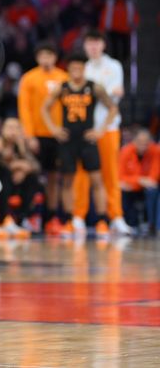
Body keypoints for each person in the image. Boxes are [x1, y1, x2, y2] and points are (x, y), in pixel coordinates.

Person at [41, 52, 117, 238]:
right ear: (68, 69)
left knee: (97, 181)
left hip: (87, 139)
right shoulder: (62, 87)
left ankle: (102, 220)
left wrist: (100, 130)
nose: (76, 71)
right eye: (73, 67)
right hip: (68, 140)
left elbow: (113, 108)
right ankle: (70, 220)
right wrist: (53, 129)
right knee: (67, 182)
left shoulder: (94, 87)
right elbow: (44, 107)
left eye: (80, 68)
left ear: (85, 69)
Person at [72, 29, 132, 236]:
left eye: (97, 43)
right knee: (82, 174)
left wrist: (93, 91)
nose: (93, 47)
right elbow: (85, 95)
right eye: (90, 43)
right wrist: (101, 91)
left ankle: (116, 217)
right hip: (85, 130)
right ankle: (78, 217)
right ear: (85, 46)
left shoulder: (113, 66)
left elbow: (113, 97)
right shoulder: (83, 68)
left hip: (108, 128)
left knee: (110, 173)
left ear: (103, 45)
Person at [17, 41, 68, 235]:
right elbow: (25, 109)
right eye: (43, 55)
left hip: (58, 135)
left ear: (55, 58)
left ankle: (52, 217)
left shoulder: (64, 78)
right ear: (38, 58)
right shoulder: (29, 78)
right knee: (34, 176)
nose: (46, 59)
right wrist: (29, 136)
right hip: (37, 136)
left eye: (50, 55)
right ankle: (31, 215)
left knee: (55, 178)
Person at [118, 129, 160, 235]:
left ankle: (152, 225)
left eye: (146, 142)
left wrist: (137, 181)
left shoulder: (155, 151)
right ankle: (129, 223)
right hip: (132, 187)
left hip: (147, 187)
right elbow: (120, 177)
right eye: (140, 142)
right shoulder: (126, 151)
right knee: (122, 189)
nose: (143, 146)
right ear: (134, 141)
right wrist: (139, 180)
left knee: (153, 191)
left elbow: (153, 177)